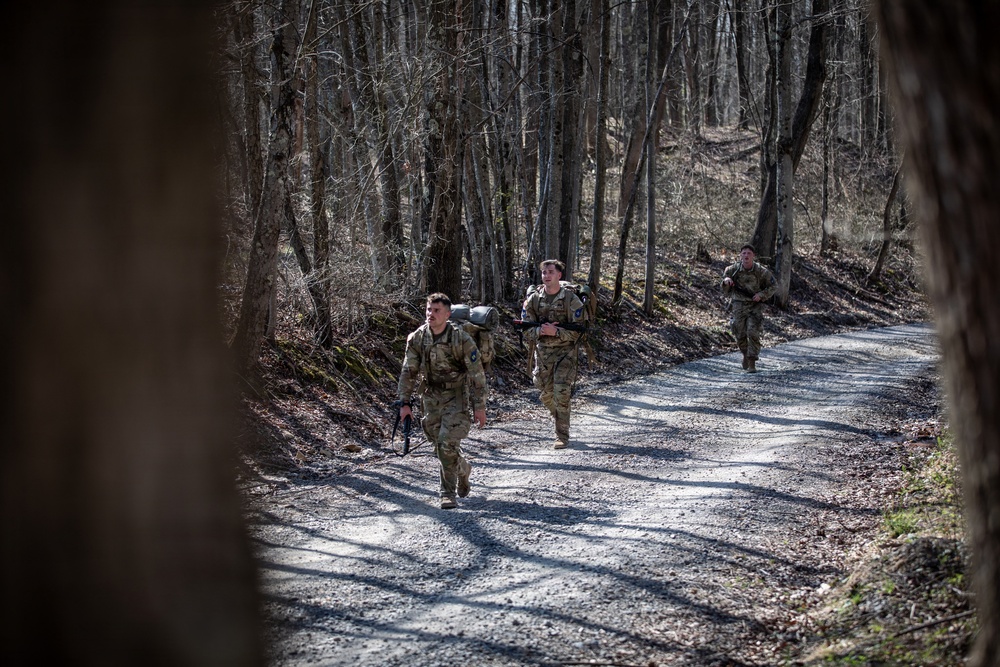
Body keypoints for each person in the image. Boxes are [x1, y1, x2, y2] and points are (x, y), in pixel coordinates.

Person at [398, 293, 487, 509]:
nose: (431, 314)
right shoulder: (418, 337)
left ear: (447, 314)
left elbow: (477, 374)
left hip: (456, 396)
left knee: (447, 443)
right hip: (430, 397)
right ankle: (463, 468)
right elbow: (408, 371)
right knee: (438, 445)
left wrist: (479, 407)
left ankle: (447, 494)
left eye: (436, 310)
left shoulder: (460, 339)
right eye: (429, 309)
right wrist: (404, 403)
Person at [521, 259, 585, 448]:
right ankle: (559, 415)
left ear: (559, 275)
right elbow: (525, 327)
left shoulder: (570, 300)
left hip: (565, 352)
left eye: (550, 272)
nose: (546, 276)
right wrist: (540, 331)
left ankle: (562, 436)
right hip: (543, 352)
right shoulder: (534, 299)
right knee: (543, 388)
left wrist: (556, 332)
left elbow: (579, 331)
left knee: (561, 392)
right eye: (544, 273)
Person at [721, 244, 777, 372]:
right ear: (740, 255)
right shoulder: (732, 269)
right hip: (738, 305)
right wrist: (726, 281)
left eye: (749, 253)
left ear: (753, 256)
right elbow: (724, 285)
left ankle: (752, 362)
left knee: (753, 332)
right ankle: (745, 354)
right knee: (739, 332)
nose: (746, 256)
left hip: (754, 305)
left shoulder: (761, 271)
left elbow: (774, 286)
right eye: (744, 253)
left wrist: (761, 295)